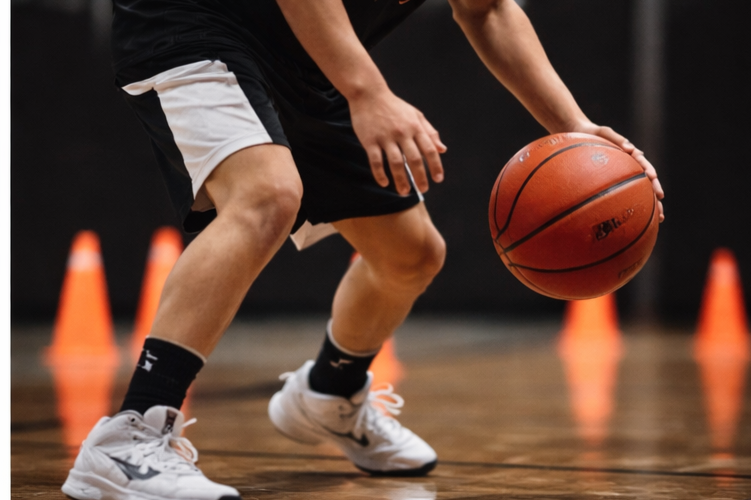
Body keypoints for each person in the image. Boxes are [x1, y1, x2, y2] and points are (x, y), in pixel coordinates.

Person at [61, 0, 665, 499]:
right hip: (195, 22)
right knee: (267, 195)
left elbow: (488, 10)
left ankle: (330, 392)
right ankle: (129, 436)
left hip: (303, 55)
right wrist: (367, 92)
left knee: (412, 253)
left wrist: (574, 129)